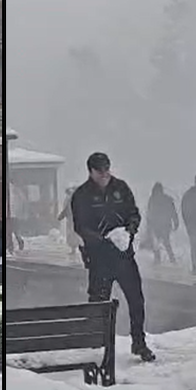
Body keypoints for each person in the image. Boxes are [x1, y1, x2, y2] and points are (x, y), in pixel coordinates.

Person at [71, 152, 156, 362]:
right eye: (100, 171)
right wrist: (102, 239)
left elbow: (133, 213)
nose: (105, 174)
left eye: (107, 169)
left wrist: (129, 231)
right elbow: (80, 226)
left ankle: (139, 342)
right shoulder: (82, 195)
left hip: (123, 255)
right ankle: (96, 346)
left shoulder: (121, 188)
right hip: (99, 258)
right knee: (98, 303)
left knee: (136, 300)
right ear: (90, 171)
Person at [146, 182, 179, 264]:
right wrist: (175, 222)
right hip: (159, 224)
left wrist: (175, 221)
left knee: (162, 242)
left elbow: (172, 212)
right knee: (162, 243)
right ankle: (168, 259)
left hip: (162, 225)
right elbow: (149, 212)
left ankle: (164, 259)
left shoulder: (156, 199)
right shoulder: (162, 199)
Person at [55, 184, 81, 257]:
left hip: (71, 219)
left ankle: (74, 248)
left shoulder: (70, 198)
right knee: (76, 233)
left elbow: (66, 209)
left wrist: (61, 216)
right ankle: (77, 248)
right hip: (76, 219)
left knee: (72, 234)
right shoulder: (78, 197)